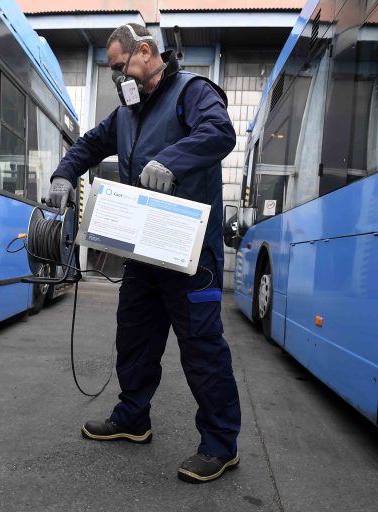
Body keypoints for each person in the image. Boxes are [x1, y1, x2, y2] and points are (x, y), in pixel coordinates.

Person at [47, 23, 241, 484]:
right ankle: (133, 417)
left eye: (120, 67)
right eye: (112, 71)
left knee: (201, 348)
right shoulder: (127, 114)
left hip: (191, 254)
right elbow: (90, 144)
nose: (117, 78)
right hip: (144, 249)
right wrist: (63, 174)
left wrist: (171, 160)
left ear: (147, 53)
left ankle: (220, 445)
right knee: (134, 335)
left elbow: (220, 132)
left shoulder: (191, 92)